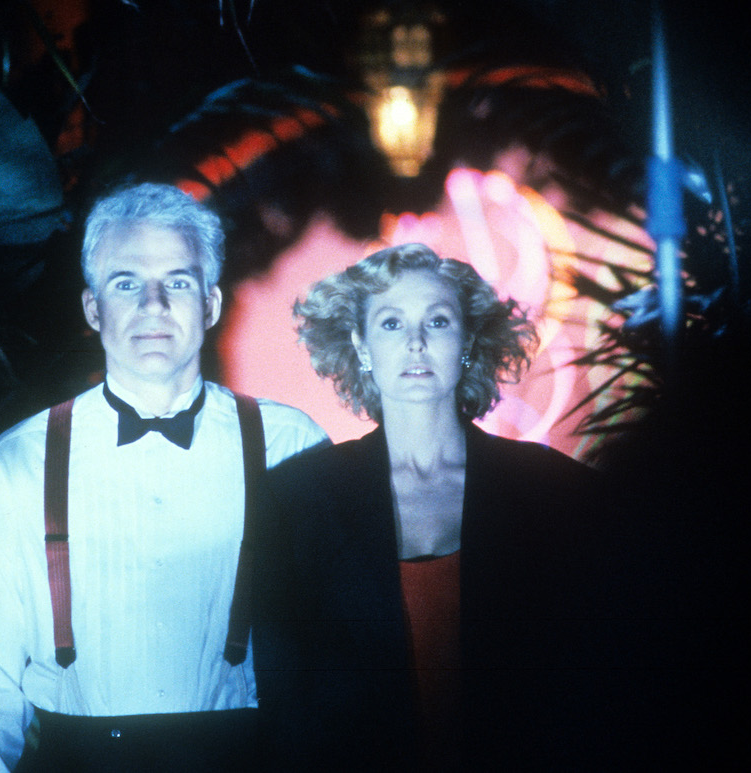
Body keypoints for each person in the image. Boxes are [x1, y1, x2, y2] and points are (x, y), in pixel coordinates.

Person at [0, 182, 328, 771]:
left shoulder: (291, 445)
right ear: (93, 309)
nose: (153, 305)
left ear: (211, 304)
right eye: (126, 284)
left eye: (178, 282)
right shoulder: (18, 463)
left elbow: (336, 650)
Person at [253, 243, 613, 771]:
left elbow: (596, 679)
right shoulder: (297, 499)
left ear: (467, 342)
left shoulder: (554, 491)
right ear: (361, 346)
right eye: (392, 324)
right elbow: (287, 699)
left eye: (438, 322)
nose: (416, 342)